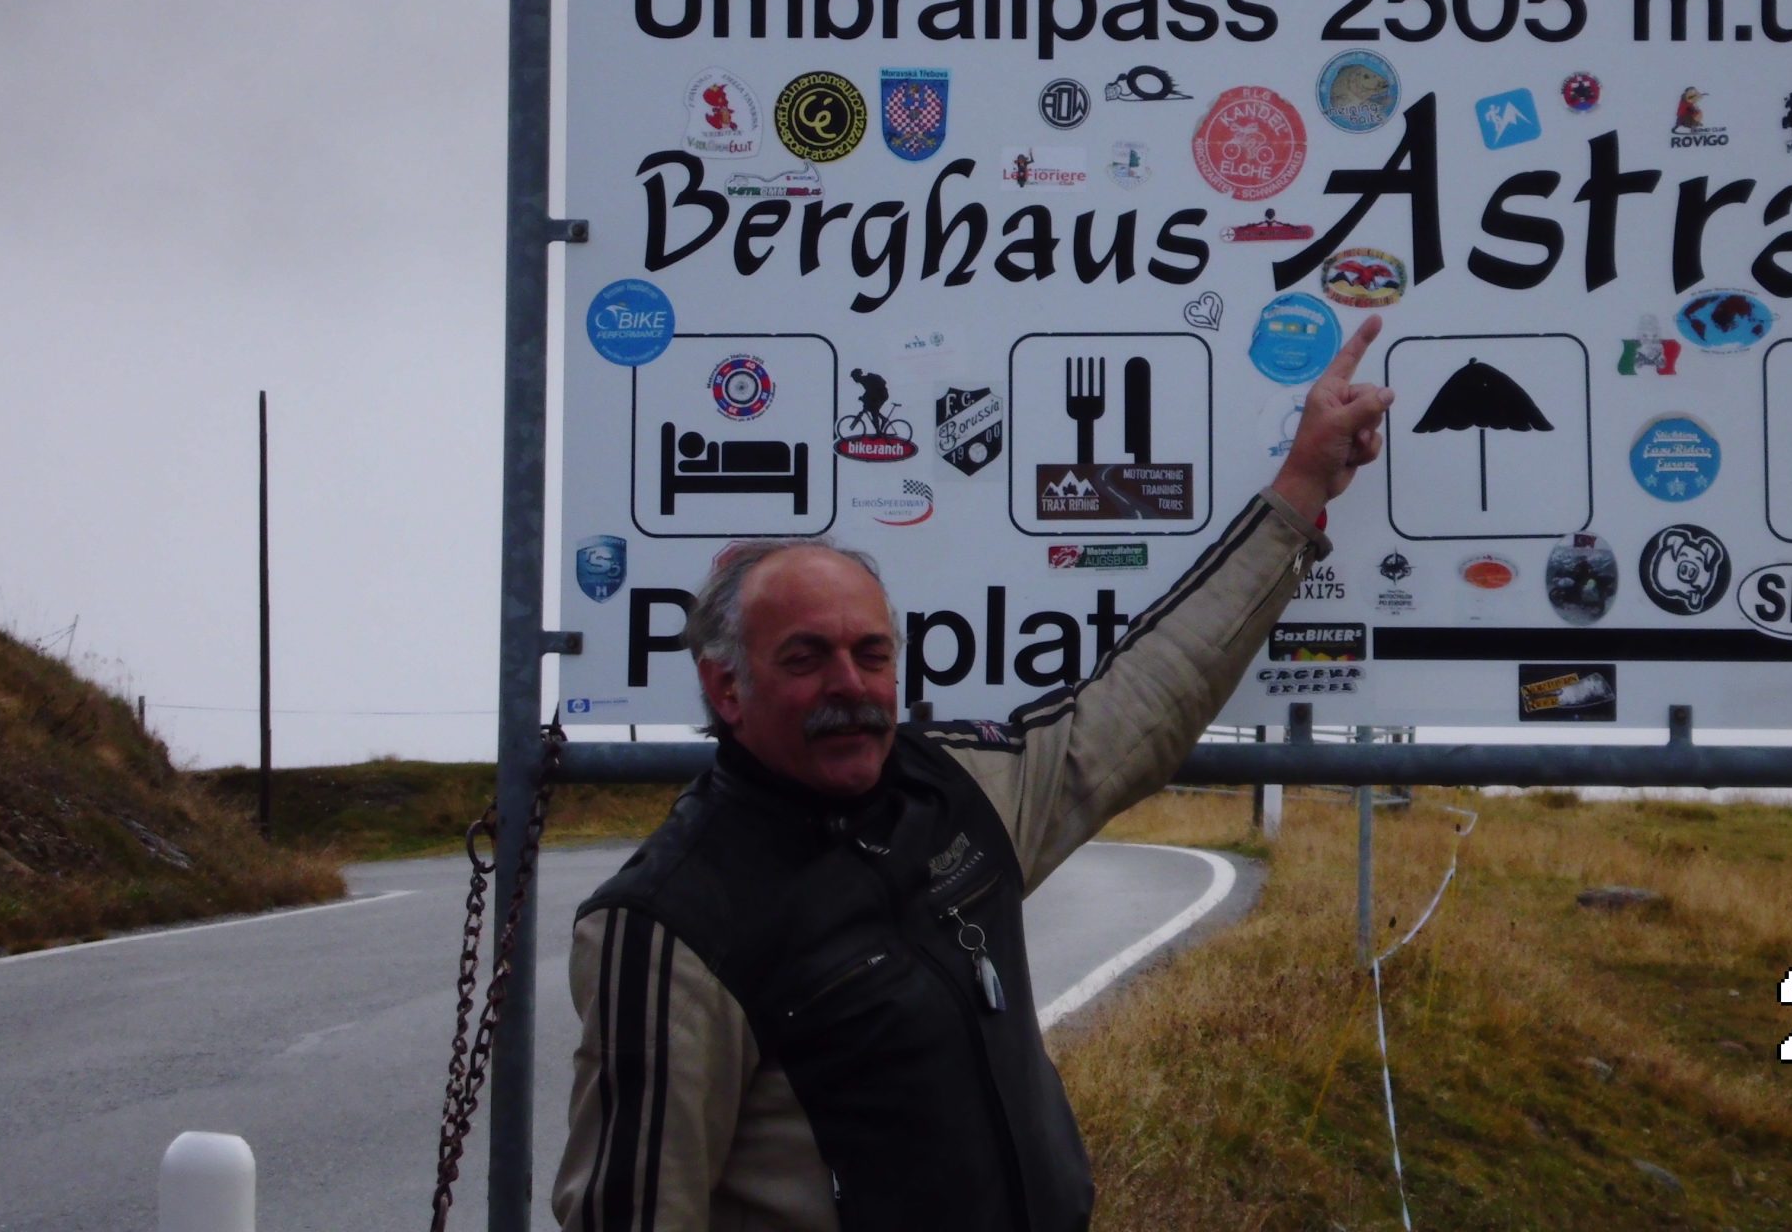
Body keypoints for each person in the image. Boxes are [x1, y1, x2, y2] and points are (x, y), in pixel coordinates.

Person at [554, 318, 1394, 1232]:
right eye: (805, 657)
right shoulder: (668, 923)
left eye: (872, 653)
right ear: (726, 687)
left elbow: (1147, 698)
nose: (850, 685)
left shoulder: (958, 789)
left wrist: (1301, 487)